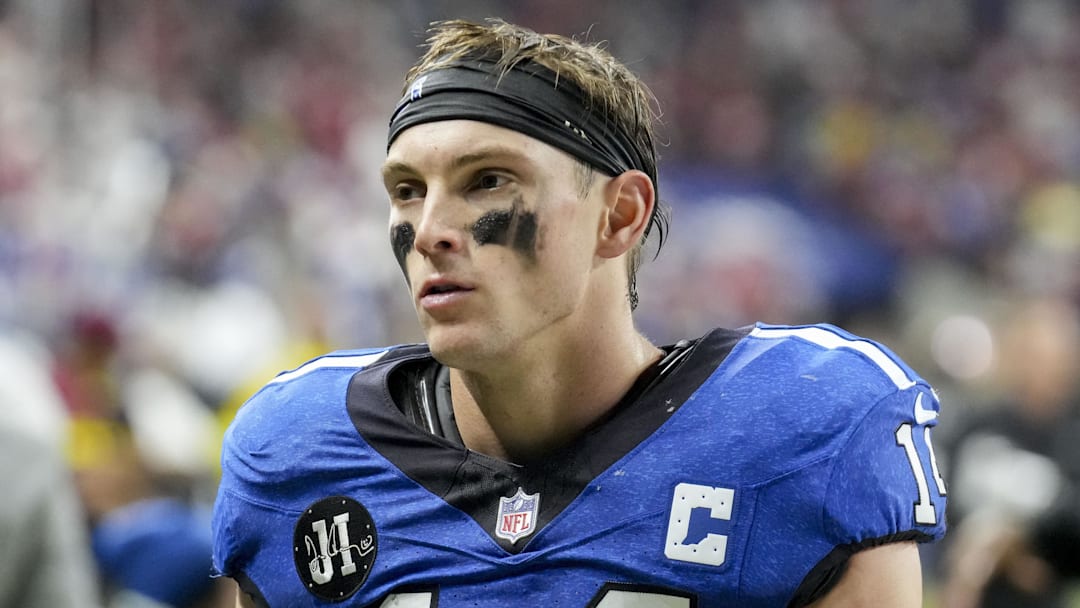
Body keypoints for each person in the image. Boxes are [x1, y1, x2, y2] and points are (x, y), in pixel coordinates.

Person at [212, 18, 947, 607]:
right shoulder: (298, 451)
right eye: (407, 190)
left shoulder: (808, 426)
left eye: (488, 180)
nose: (430, 228)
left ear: (619, 216)